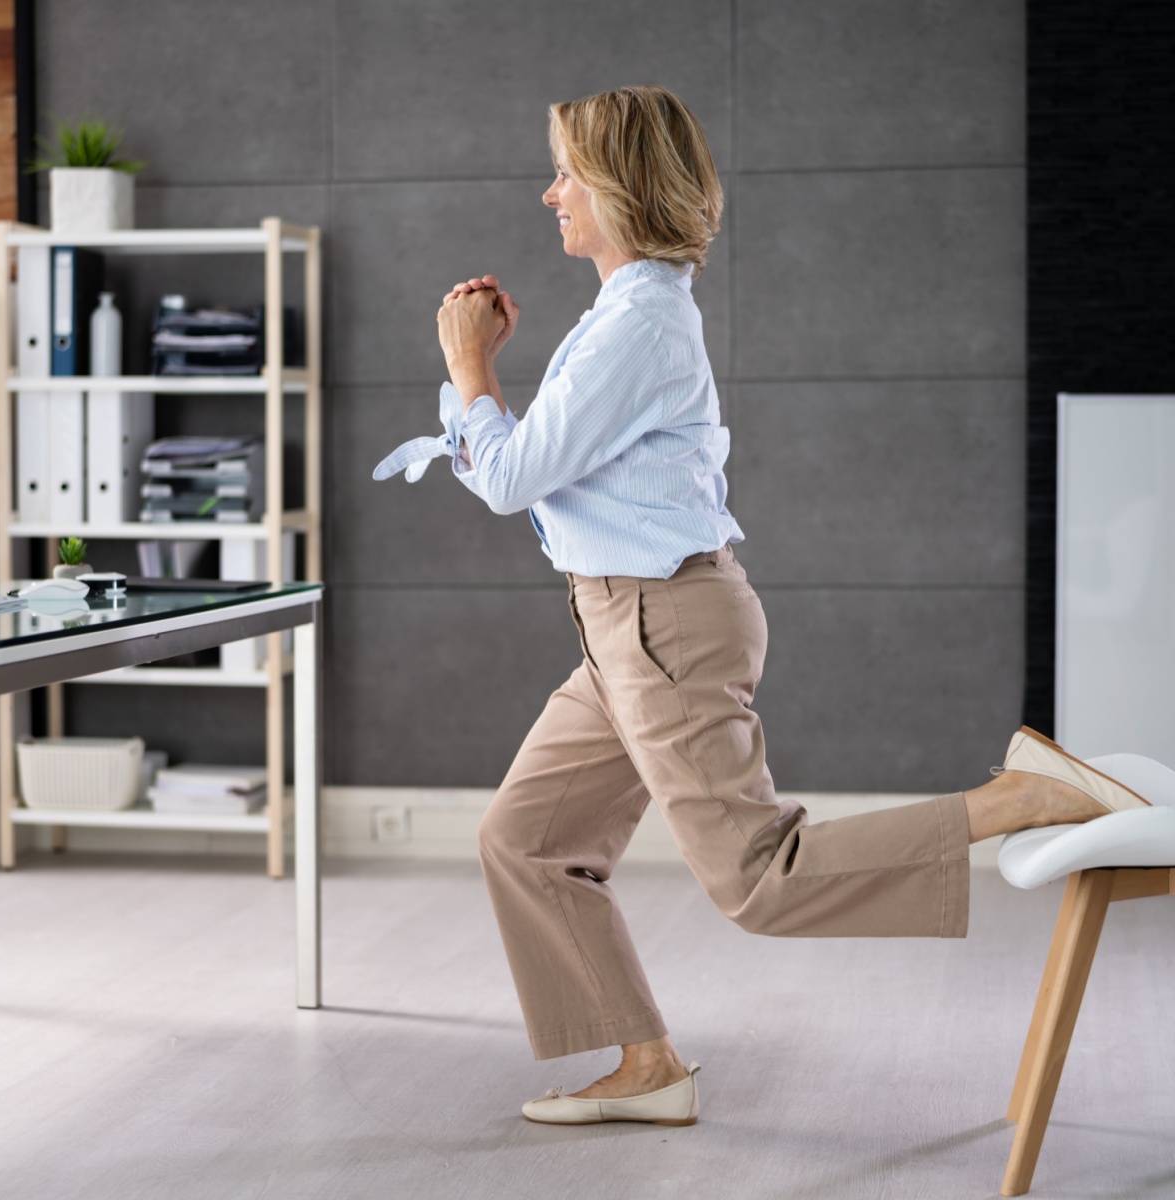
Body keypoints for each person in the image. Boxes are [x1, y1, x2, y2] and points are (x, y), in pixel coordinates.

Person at [373, 85, 1152, 1127]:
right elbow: (518, 472)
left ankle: (1021, 797)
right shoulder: (624, 317)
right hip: (624, 627)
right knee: (525, 840)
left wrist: (466, 364)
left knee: (760, 881)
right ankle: (645, 1064)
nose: (549, 192)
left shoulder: (636, 328)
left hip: (658, 627)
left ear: (615, 187)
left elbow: (510, 480)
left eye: (566, 173)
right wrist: (478, 385)